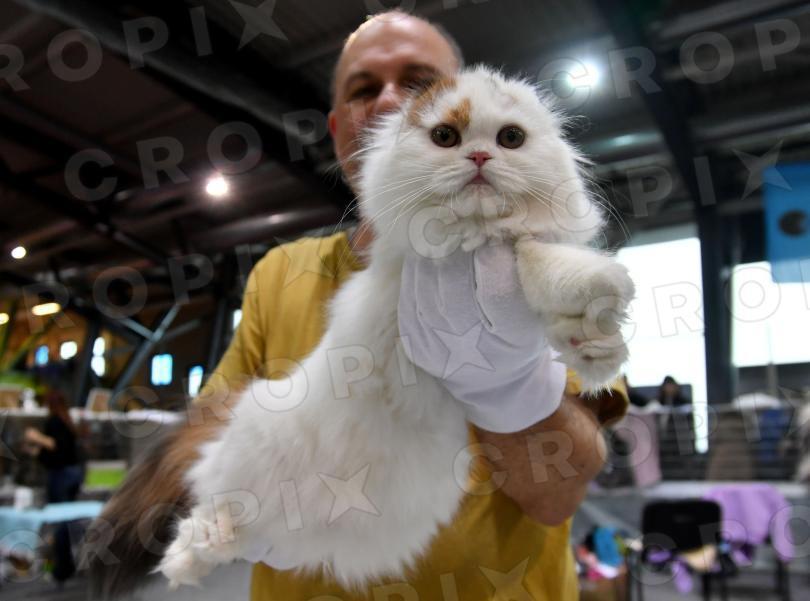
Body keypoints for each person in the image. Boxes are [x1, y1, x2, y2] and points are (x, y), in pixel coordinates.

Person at [200, 10, 629, 599]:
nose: (387, 101)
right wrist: (245, 492)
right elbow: (208, 430)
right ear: (336, 127)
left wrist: (506, 388)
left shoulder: (551, 265)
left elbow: (559, 495)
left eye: (420, 83)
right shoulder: (277, 273)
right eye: (363, 89)